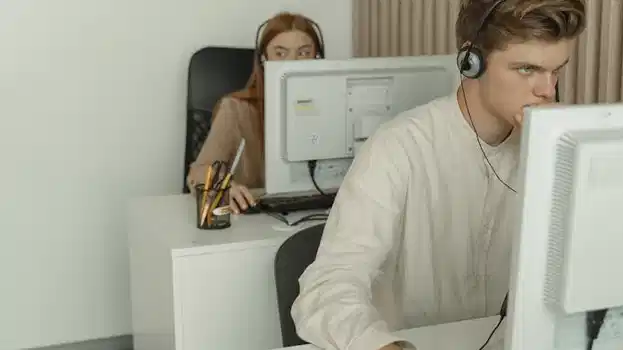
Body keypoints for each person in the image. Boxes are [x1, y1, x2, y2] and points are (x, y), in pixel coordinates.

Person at [290, 0, 586, 349]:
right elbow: (328, 286)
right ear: (471, 61)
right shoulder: (397, 148)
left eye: (556, 71)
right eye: (526, 69)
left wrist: (567, 164)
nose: (546, 90)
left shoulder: (556, 152)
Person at [186, 12, 325, 213]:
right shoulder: (235, 109)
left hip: (315, 215)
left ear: (317, 58)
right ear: (263, 59)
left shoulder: (330, 108)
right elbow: (197, 173)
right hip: (252, 220)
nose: (292, 63)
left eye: (303, 53)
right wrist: (224, 188)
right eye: (280, 53)